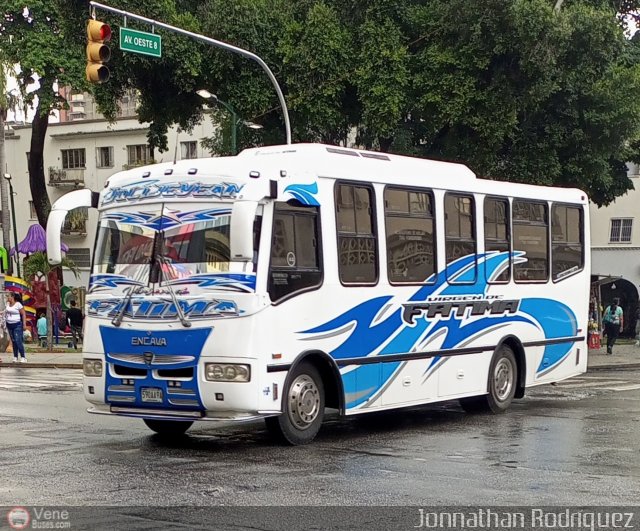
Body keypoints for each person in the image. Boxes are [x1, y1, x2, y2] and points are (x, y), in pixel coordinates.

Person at [5, 292, 27, 362]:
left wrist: (24, 324)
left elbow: (23, 314)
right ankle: (15, 357)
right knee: (13, 341)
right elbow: (6, 312)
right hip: (9, 324)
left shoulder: (18, 304)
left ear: (12, 297)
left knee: (18, 341)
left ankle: (23, 357)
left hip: (17, 325)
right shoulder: (7, 304)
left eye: (8, 296)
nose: (7, 298)